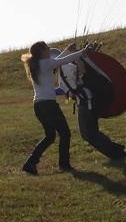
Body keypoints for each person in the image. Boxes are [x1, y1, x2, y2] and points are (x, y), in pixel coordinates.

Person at [21, 41, 89, 175]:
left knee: (50, 136)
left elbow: (57, 61)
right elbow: (63, 61)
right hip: (48, 105)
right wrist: (83, 52)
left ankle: (30, 162)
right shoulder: (45, 63)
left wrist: (68, 50)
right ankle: (64, 164)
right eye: (47, 48)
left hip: (39, 105)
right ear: (41, 51)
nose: (49, 49)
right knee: (65, 133)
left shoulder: (40, 64)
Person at [58, 43, 126, 161]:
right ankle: (117, 150)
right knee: (90, 133)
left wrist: (79, 56)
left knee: (88, 134)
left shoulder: (64, 67)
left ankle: (116, 153)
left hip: (86, 102)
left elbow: (82, 72)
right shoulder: (62, 69)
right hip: (85, 101)